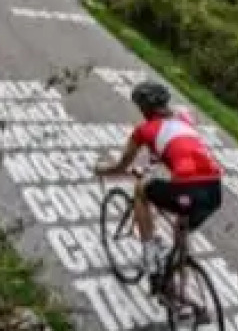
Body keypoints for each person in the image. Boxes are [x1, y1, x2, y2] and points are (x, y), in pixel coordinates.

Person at [93, 80, 223, 283]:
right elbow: (173, 151)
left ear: (144, 107)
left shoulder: (144, 130)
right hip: (214, 190)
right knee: (182, 231)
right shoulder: (185, 120)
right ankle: (183, 290)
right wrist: (149, 167)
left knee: (142, 189)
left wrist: (102, 170)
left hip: (187, 188)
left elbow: (121, 167)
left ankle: (149, 250)